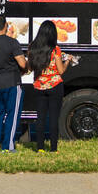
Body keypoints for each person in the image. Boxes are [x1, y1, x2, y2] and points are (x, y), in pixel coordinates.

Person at [27, 20, 76, 152]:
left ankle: (40, 148)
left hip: (39, 86)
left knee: (41, 118)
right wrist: (67, 61)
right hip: (55, 87)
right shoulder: (55, 49)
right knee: (54, 119)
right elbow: (60, 71)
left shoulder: (32, 48)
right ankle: (53, 148)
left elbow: (30, 67)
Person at [0, 16, 27, 151]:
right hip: (12, 82)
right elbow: (22, 64)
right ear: (6, 25)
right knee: (12, 116)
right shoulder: (13, 43)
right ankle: (8, 146)